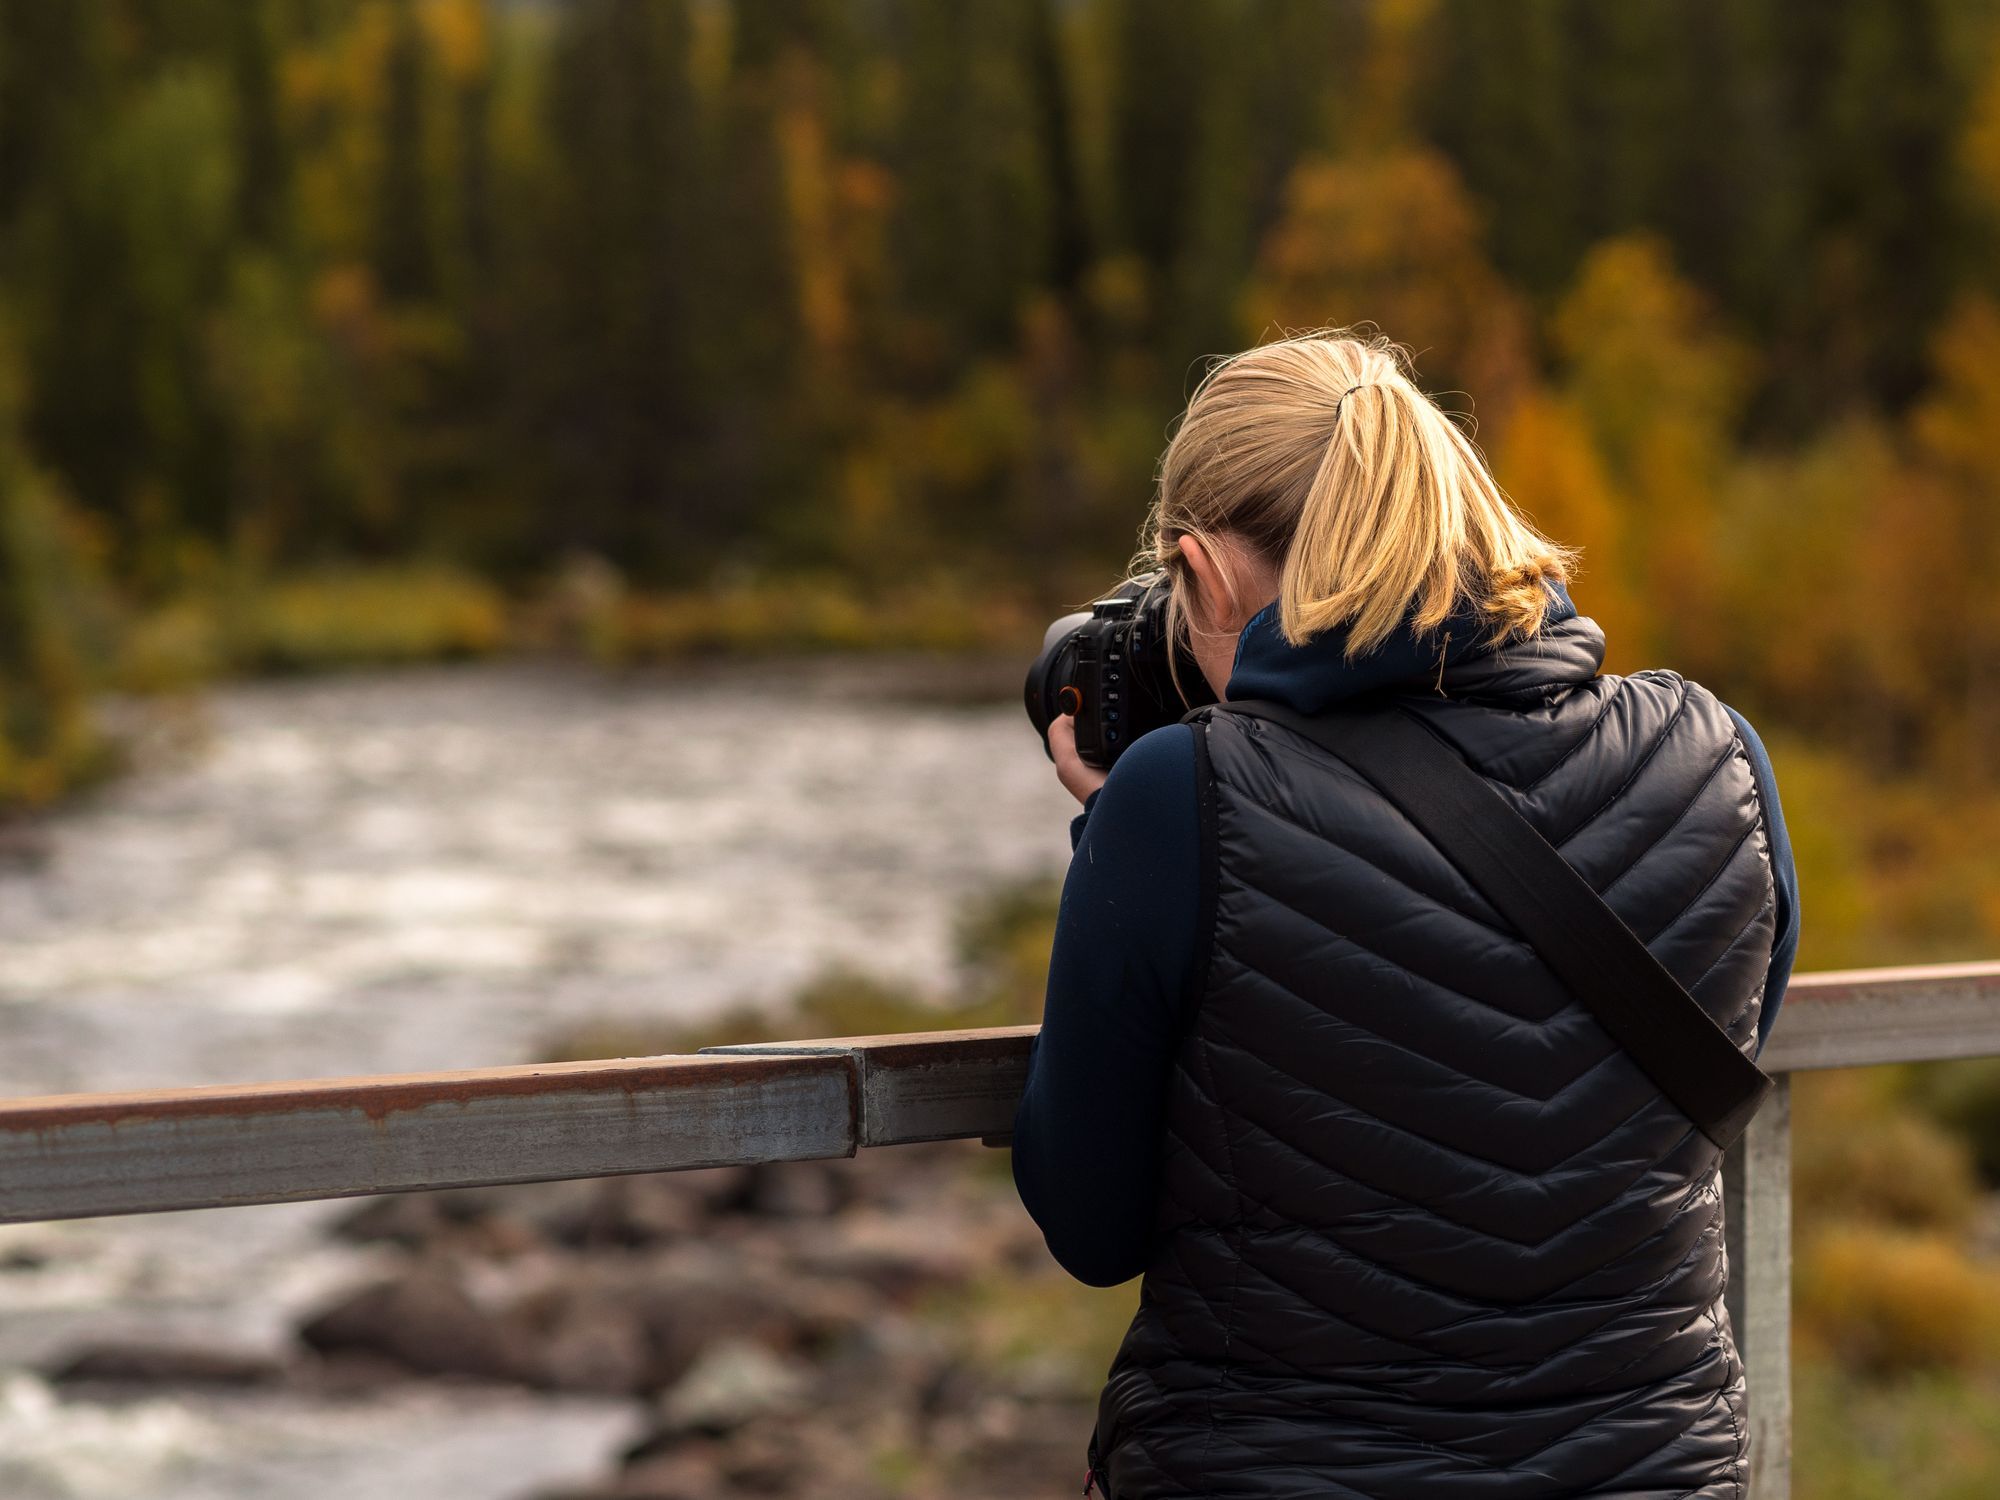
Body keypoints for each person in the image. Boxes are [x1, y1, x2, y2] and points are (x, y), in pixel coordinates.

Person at [1011, 331, 1801, 1499]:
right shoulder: (1717, 758)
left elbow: (1090, 1224)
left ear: (1203, 571)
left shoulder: (1179, 799)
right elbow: (1703, 1065)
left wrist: (1115, 839)